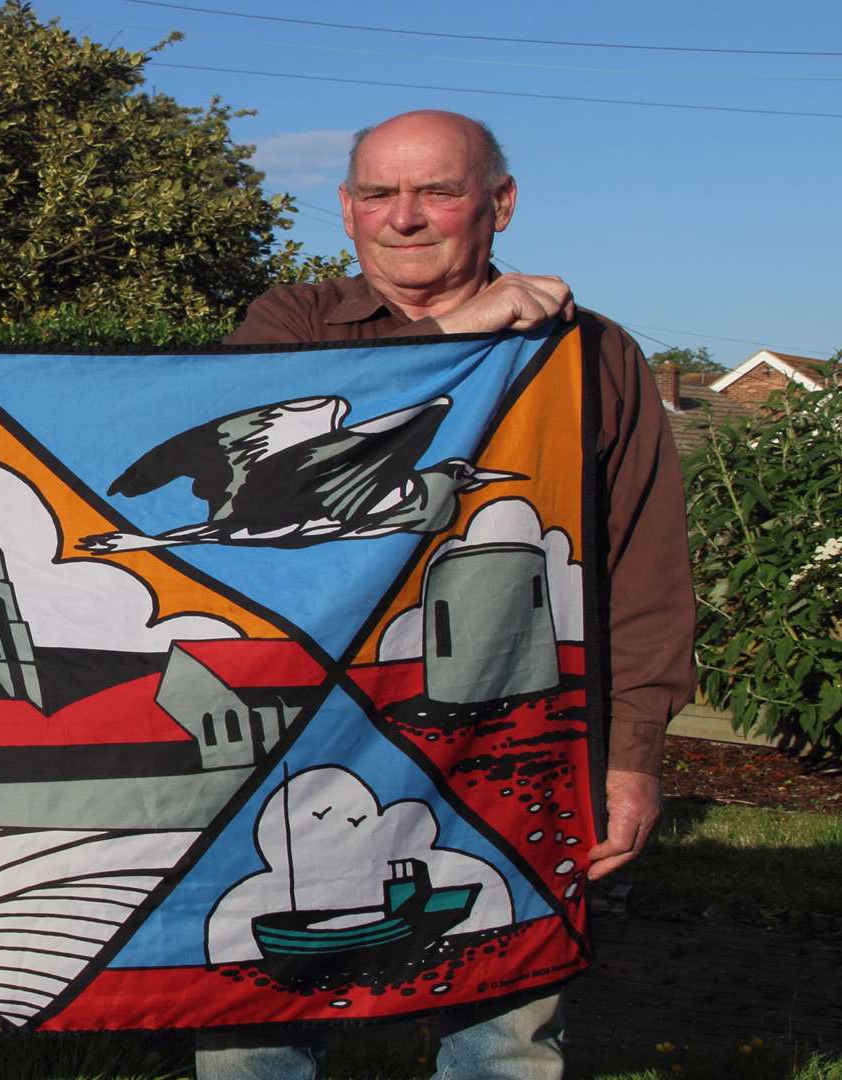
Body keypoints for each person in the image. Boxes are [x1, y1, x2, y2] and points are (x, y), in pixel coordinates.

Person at [198, 110, 694, 1079]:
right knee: (254, 1030)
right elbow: (270, 476)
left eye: (438, 191)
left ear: (500, 204)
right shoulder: (288, 326)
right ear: (346, 211)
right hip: (304, 734)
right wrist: (462, 335)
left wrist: (633, 757)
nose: (405, 219)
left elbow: (641, 564)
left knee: (507, 1038)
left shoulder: (589, 353)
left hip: (516, 729)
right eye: (379, 194)